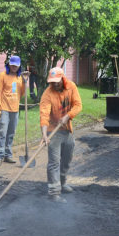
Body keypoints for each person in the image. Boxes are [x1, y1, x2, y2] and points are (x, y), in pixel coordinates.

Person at [39, 67, 83, 202]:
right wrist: (45, 135)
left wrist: (68, 116)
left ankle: (62, 183)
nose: (55, 84)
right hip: (54, 131)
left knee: (67, 159)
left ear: (63, 78)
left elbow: (78, 105)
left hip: (67, 130)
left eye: (57, 81)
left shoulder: (71, 87)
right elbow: (44, 114)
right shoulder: (47, 94)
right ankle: (53, 193)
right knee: (54, 162)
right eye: (52, 82)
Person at [0, 55, 25, 166]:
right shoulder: (2, 75)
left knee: (11, 133)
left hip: (15, 109)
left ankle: (8, 155)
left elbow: (22, 94)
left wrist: (25, 82)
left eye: (16, 65)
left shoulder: (20, 77)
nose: (14, 67)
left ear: (19, 66)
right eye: (12, 65)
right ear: (9, 64)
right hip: (4, 109)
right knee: (2, 133)